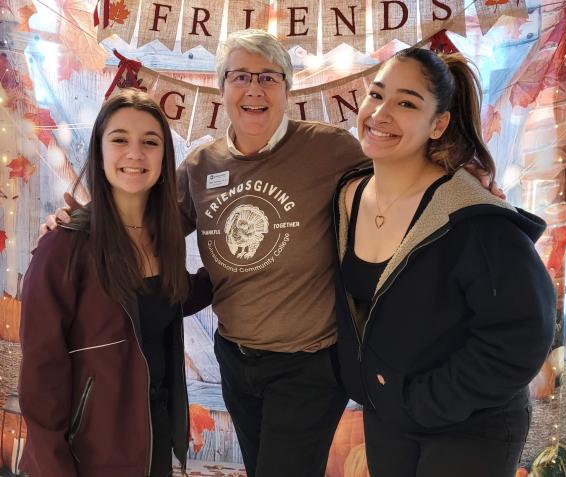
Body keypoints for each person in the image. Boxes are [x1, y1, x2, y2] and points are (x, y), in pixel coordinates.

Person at [45, 31, 503, 477]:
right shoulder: (202, 167)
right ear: (221, 88)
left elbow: (403, 169)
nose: (254, 89)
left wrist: (463, 175)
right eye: (240, 76)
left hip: (307, 363)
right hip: (236, 358)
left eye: (269, 77)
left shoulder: (329, 148)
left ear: (288, 88)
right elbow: (142, 223)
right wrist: (81, 223)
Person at [333, 48, 555, 477]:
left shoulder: (475, 218)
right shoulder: (347, 196)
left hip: (471, 426)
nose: (380, 113)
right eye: (376, 95)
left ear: (439, 124)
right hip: (390, 419)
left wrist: (427, 400)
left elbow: (525, 332)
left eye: (406, 103)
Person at [19, 89, 212, 477]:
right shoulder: (65, 245)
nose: (135, 154)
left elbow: (169, 299)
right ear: (100, 151)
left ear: (163, 157)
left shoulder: (164, 238)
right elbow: (41, 375)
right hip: (90, 448)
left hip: (153, 436)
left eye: (150, 142)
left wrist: (250, 263)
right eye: (120, 139)